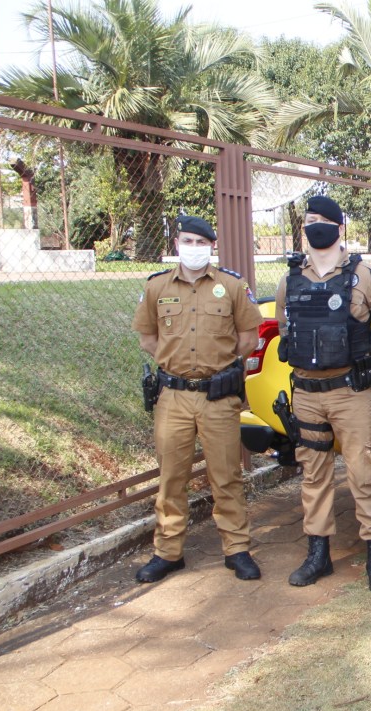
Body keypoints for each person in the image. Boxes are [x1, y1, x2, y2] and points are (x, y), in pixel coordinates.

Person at [275, 196, 371, 592]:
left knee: (366, 471)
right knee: (313, 476)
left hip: (350, 392)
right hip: (307, 394)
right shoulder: (290, 278)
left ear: (338, 227)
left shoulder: (365, 276)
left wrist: (363, 362)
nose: (314, 226)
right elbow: (284, 328)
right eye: (308, 220)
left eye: (322, 220)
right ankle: (318, 555)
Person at [132, 215, 263, 583]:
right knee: (171, 478)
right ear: (177, 244)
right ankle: (168, 552)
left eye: (200, 243)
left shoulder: (231, 286)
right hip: (172, 397)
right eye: (187, 241)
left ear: (211, 246)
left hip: (217, 397)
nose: (193, 248)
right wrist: (176, 366)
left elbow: (248, 338)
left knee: (226, 476)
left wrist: (217, 366)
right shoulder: (157, 286)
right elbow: (148, 338)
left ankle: (237, 549)